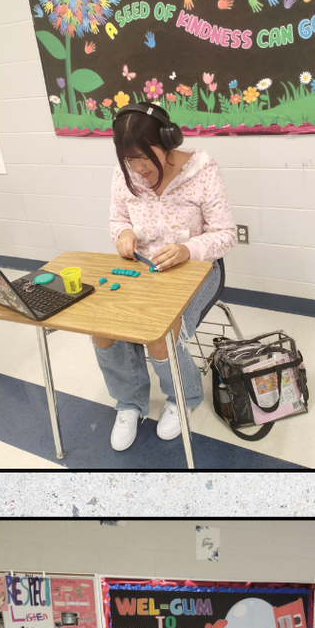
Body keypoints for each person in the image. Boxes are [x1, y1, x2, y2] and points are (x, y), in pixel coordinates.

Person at [98, 103, 237, 451]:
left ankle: (183, 397)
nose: (139, 168)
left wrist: (188, 249)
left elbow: (225, 234)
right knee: (101, 325)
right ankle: (129, 403)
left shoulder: (201, 169)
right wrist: (123, 234)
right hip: (143, 270)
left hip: (197, 270)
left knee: (160, 330)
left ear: (168, 140)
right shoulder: (124, 173)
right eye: (130, 160)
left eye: (144, 157)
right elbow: (118, 220)